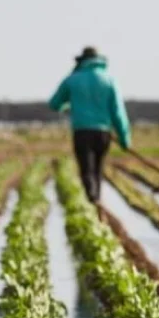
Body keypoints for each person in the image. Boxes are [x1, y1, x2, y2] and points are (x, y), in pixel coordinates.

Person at [49, 46, 131, 204]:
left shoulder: (72, 79)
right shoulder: (108, 80)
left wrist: (68, 105)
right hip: (103, 133)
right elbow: (118, 112)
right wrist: (124, 137)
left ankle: (93, 200)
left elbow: (54, 104)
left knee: (87, 170)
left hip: (82, 132)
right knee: (98, 170)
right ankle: (97, 199)